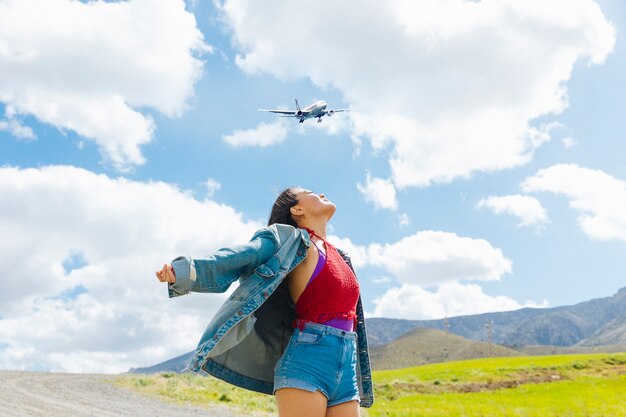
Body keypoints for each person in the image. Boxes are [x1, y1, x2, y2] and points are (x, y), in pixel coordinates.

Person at [156, 187, 374, 417]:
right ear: (297, 209)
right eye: (309, 192)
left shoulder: (342, 257)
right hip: (308, 360)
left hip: (346, 364)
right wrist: (184, 273)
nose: (320, 194)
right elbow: (242, 256)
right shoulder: (290, 241)